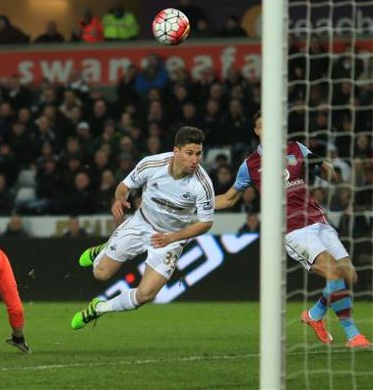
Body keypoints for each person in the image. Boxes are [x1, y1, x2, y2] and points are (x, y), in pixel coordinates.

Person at [214, 111, 370, 348]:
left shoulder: (297, 149)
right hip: (293, 229)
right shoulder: (250, 165)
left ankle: (314, 316)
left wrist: (322, 166)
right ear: (257, 131)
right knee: (333, 273)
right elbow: (228, 198)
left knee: (350, 275)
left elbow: (331, 176)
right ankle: (353, 335)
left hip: (318, 221)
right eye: (262, 126)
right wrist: (196, 205)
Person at [71, 127, 215, 330]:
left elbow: (206, 223)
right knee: (100, 274)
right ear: (176, 151)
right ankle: (102, 249)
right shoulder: (151, 164)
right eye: (189, 153)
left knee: (145, 295)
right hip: (141, 223)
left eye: (198, 154)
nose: (195, 160)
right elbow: (124, 186)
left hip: (171, 239)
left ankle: (98, 309)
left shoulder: (202, 184)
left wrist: (173, 238)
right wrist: (120, 200)